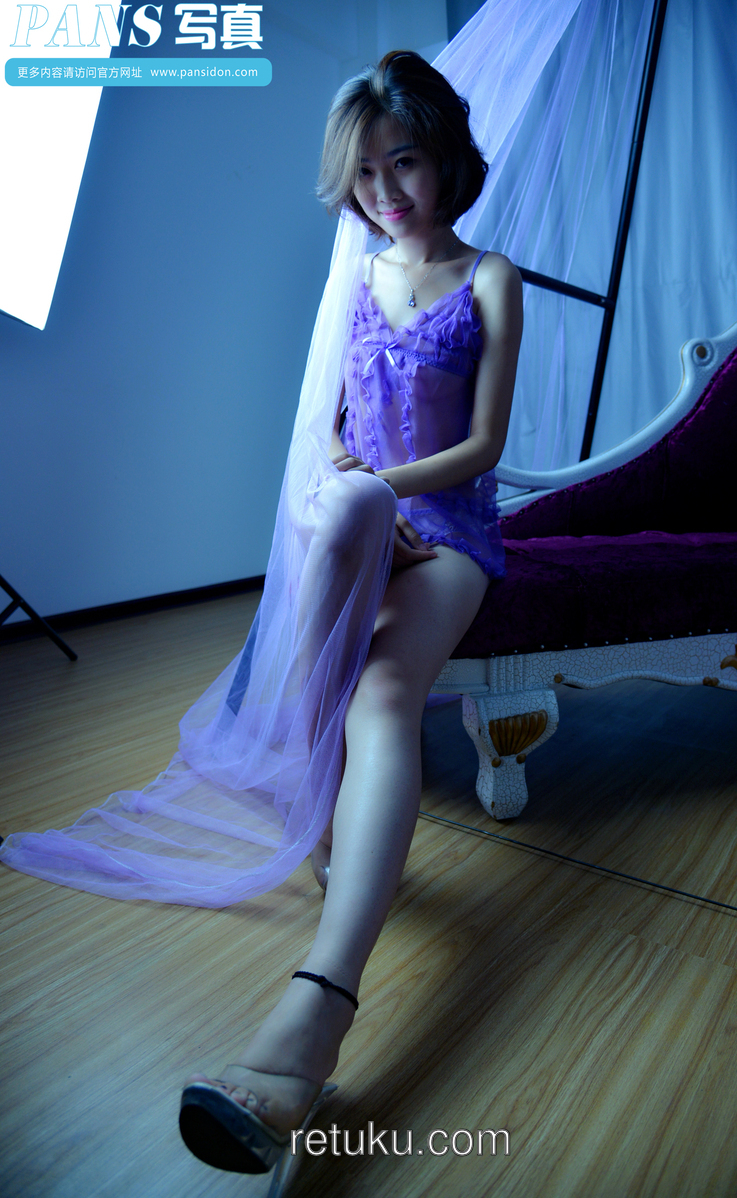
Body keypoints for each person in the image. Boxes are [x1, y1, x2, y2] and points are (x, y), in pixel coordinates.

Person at [177, 49, 523, 1176]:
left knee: (381, 695)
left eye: (403, 162)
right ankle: (317, 789)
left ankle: (320, 1006)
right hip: (359, 521)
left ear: (445, 159)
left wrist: (385, 491)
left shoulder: (489, 278)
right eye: (365, 173)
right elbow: (327, 425)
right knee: (345, 514)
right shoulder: (357, 275)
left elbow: (483, 446)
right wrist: (353, 484)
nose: (384, 191)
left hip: (449, 534)